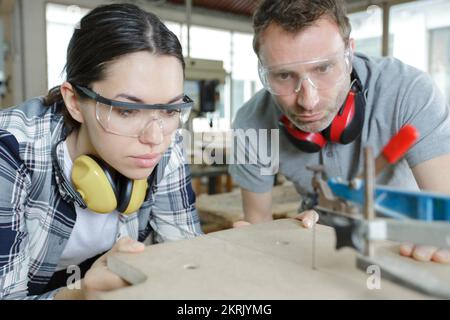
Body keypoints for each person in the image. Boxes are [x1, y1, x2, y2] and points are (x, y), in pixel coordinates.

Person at [0, 3, 202, 300]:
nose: (155, 137)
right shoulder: (12, 151)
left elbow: (187, 261)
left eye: (170, 109)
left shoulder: (164, 141)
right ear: (74, 102)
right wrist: (80, 295)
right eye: (126, 110)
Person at [229, 0, 450, 264]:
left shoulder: (408, 92)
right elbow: (258, 226)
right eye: (284, 76)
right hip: (319, 246)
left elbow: (445, 217)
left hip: (406, 246)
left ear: (350, 53)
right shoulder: (252, 122)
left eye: (323, 68)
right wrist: (284, 234)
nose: (308, 102)